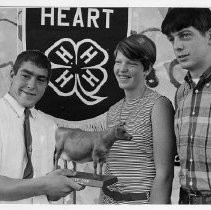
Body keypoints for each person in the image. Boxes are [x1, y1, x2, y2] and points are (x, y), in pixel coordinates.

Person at [0, 50, 84, 204]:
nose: (31, 85)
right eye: (25, 76)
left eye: (40, 79)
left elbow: (52, 193)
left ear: (47, 84)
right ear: (12, 75)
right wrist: (45, 185)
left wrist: (62, 183)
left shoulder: (49, 125)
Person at [100, 34, 176, 204]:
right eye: (118, 62)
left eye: (131, 63)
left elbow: (164, 175)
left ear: (147, 68)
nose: (122, 69)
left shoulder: (159, 105)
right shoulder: (113, 111)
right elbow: (109, 170)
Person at [161, 8, 211, 204]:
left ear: (209, 35)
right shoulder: (182, 92)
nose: (177, 46)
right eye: (172, 39)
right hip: (185, 199)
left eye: (185, 35)